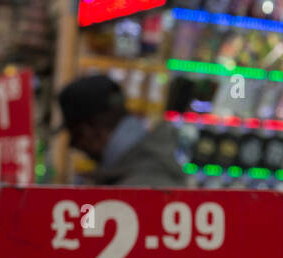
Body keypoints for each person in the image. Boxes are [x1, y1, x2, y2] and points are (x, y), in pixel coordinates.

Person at [57, 75, 186, 187]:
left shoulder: (136, 188)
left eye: (75, 136)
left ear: (88, 131)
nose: (72, 145)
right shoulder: (148, 169)